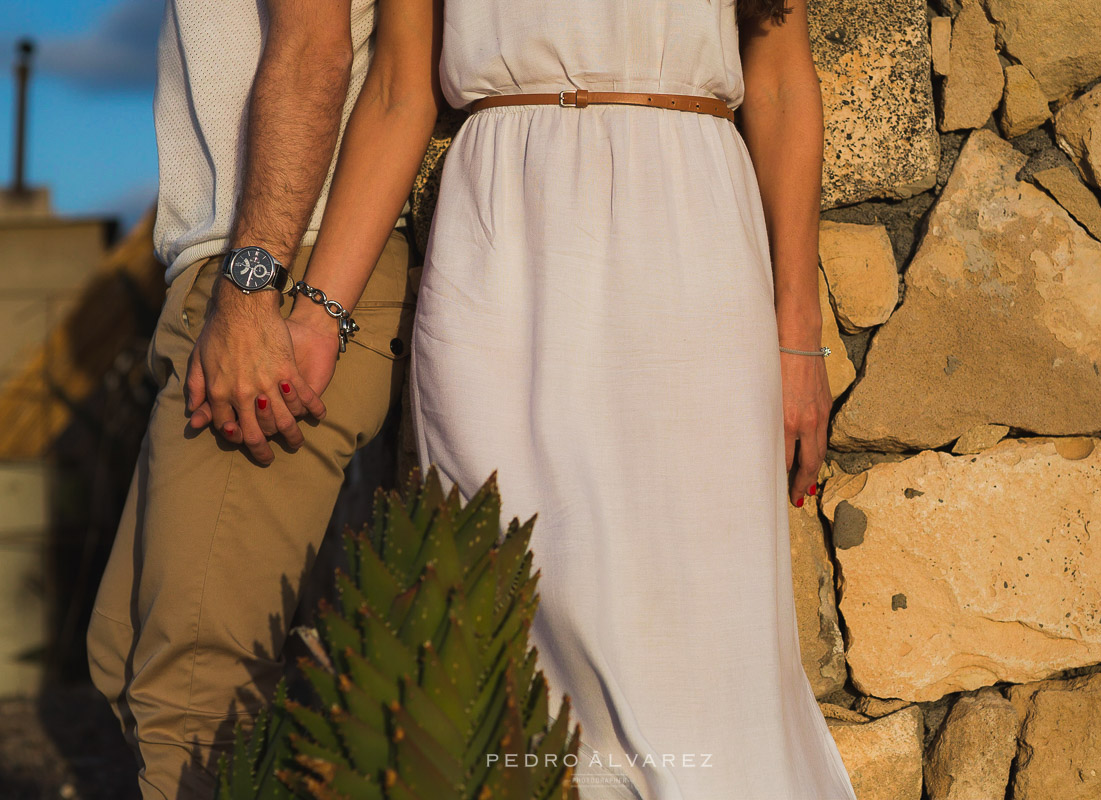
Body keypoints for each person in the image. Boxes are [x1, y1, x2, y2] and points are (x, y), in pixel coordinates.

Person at [302, 0, 858, 797]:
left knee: (697, 638)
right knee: (509, 600)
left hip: (691, 230)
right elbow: (397, 87)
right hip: (499, 243)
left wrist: (799, 330)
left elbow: (777, 84)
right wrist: (317, 316)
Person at [85, 1, 419, 797]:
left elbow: (315, 52)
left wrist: (255, 293)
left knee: (194, 694)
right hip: (228, 275)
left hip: (281, 278)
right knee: (123, 651)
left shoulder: (262, 290)